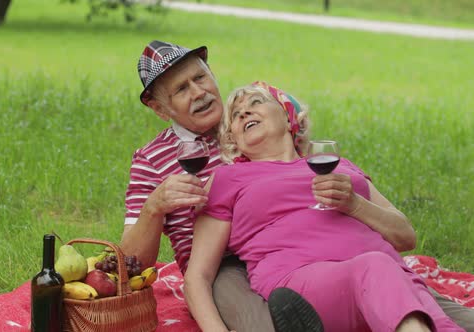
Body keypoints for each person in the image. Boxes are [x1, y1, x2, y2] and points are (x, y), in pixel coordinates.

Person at [120, 40, 474, 331]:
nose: (200, 92)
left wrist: (296, 144)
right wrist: (154, 207)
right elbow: (132, 261)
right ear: (159, 108)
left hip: (320, 250)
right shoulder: (155, 160)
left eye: (202, 77)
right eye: (182, 89)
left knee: (413, 295)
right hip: (227, 263)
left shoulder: (258, 124)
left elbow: (299, 164)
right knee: (254, 317)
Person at [183, 82, 465, 332]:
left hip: (392, 278)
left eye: (256, 102)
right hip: (301, 285)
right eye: (236, 114)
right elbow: (199, 276)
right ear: (233, 137)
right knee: (376, 269)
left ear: (288, 116)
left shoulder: (340, 166)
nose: (244, 113)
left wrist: (355, 204)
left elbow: (406, 237)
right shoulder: (227, 179)